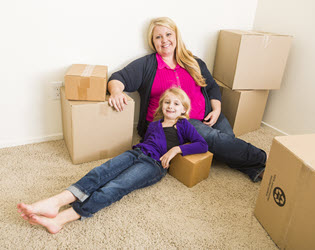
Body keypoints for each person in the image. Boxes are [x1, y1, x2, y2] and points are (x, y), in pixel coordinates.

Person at [17, 87, 208, 234]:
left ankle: (61, 219)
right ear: (161, 105)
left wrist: (176, 149)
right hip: (135, 153)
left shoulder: (183, 124)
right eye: (167, 102)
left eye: (176, 104)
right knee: (100, 172)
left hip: (153, 165)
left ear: (183, 109)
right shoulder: (154, 124)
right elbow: (145, 141)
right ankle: (56, 201)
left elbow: (202, 145)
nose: (171, 106)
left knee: (115, 186)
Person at [107, 17, 266, 182]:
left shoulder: (193, 61)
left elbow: (211, 86)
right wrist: (116, 92)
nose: (164, 40)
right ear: (152, 41)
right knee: (215, 140)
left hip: (206, 114)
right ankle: (264, 159)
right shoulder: (147, 65)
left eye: (168, 34)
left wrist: (217, 110)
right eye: (158, 37)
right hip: (176, 122)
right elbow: (118, 78)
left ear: (176, 36)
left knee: (227, 141)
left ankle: (255, 169)